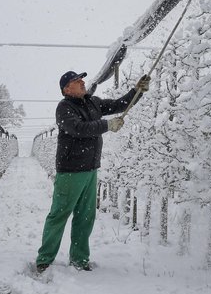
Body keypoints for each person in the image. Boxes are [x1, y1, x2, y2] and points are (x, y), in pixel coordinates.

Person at [35, 70, 150, 273]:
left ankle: (79, 259)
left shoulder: (93, 102)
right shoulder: (64, 108)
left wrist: (137, 91)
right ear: (66, 89)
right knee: (59, 214)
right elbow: (77, 128)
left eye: (82, 79)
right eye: (76, 81)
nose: (82, 82)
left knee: (85, 216)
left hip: (90, 169)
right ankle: (45, 259)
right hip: (70, 171)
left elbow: (119, 105)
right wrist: (107, 124)